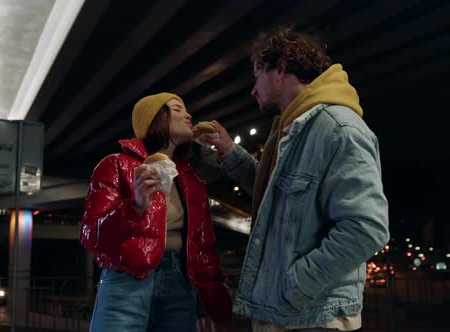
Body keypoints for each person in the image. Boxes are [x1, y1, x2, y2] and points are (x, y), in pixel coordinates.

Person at [202, 27, 390, 331]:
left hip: (314, 318)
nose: (253, 89)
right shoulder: (292, 129)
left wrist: (294, 285)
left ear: (282, 68)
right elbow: (276, 194)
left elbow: (367, 228)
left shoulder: (339, 128)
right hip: (286, 316)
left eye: (258, 73)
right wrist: (229, 151)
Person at [80, 92, 232, 331]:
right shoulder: (116, 164)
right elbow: (91, 235)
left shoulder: (193, 181)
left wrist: (221, 310)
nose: (188, 114)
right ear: (155, 119)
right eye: (177, 108)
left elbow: (203, 251)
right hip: (126, 279)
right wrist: (135, 207)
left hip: (180, 283)